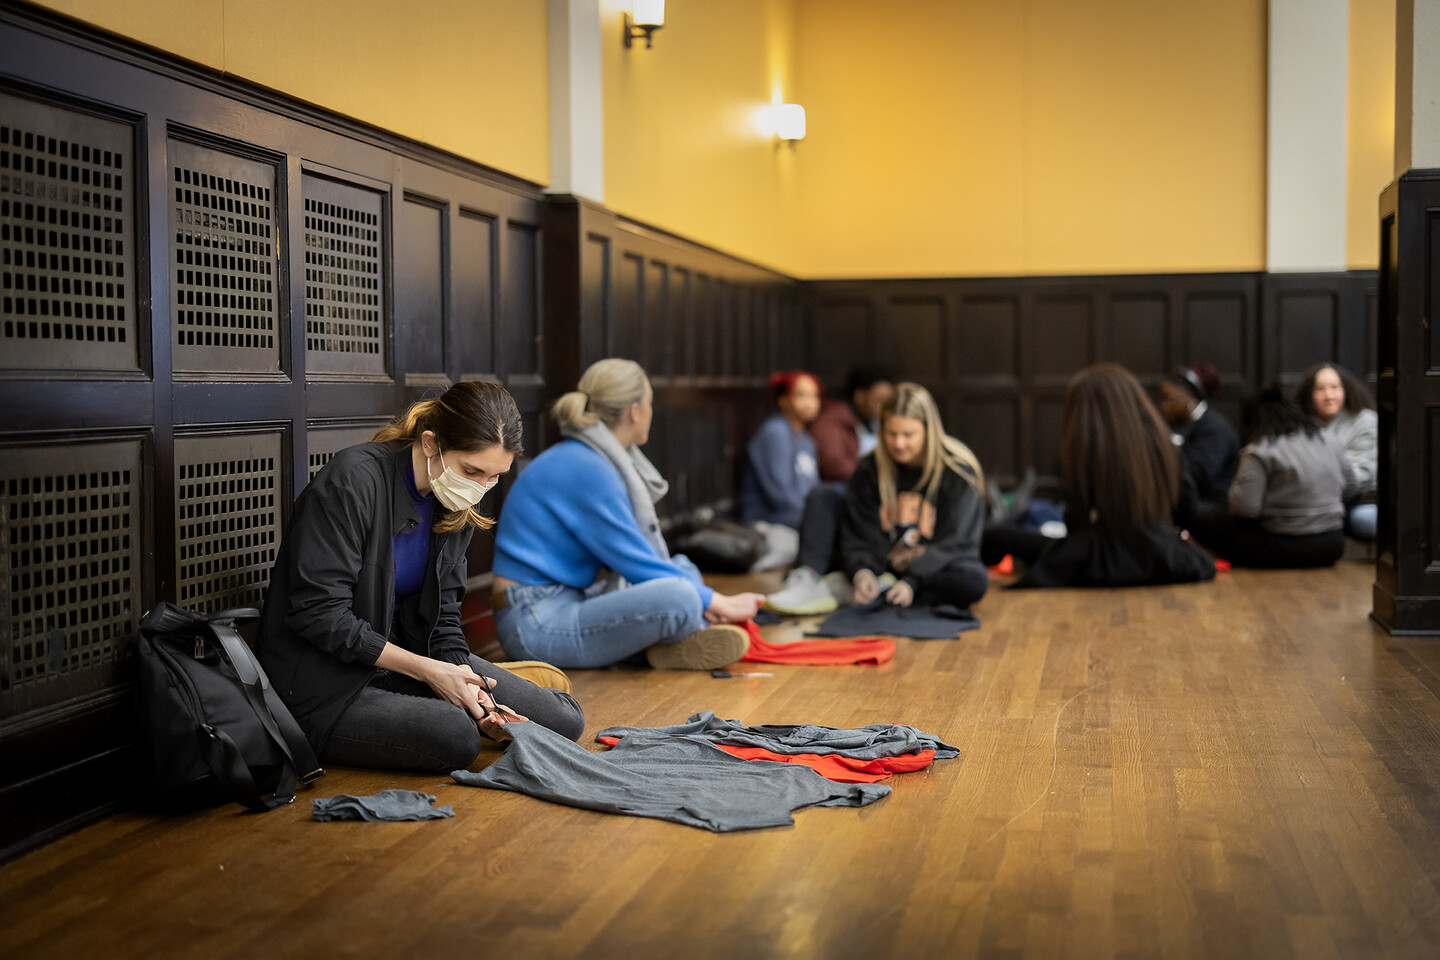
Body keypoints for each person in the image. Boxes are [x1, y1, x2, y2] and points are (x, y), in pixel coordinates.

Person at [257, 382, 585, 775]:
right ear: (430, 443)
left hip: (405, 662)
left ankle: (472, 689)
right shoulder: (352, 481)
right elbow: (318, 615)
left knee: (565, 720)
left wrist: (472, 692)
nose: (479, 489)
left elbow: (444, 617)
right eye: (472, 471)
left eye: (494, 477)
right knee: (457, 737)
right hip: (325, 681)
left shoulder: (455, 499)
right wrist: (429, 672)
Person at [492, 358, 765, 670]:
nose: (651, 410)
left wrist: (704, 596)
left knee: (683, 571)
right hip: (533, 622)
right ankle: (673, 639)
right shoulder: (587, 467)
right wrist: (719, 602)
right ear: (635, 411)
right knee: (681, 596)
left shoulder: (586, 457)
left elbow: (644, 562)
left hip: (565, 600)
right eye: (650, 402)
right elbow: (636, 562)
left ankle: (660, 647)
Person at [987, 363, 1216, 588]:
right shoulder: (1165, 445)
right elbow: (1187, 509)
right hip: (1165, 555)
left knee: (995, 535)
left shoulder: (1087, 449)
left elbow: (1077, 523)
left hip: (1102, 558)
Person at [838, 382, 990, 610]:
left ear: (928, 430)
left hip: (934, 568)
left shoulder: (959, 470)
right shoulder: (869, 469)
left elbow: (957, 543)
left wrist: (913, 581)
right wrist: (862, 572)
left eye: (908, 435)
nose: (899, 444)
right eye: (892, 434)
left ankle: (894, 594)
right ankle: (882, 591)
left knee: (973, 580)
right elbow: (859, 534)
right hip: (884, 567)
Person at [765, 367, 895, 614]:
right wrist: (869, 474)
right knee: (824, 496)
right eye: (801, 395)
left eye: (814, 395)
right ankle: (809, 578)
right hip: (789, 516)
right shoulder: (818, 424)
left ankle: (842, 580)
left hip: (854, 514)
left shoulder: (806, 435)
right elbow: (828, 469)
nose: (811, 403)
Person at [1188, 385, 1356, 568]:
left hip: (1282, 548)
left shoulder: (1261, 450)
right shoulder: (1330, 440)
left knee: (1199, 514)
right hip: (1332, 545)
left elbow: (1245, 509)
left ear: (1253, 422)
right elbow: (1351, 488)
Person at [1294, 362, 1378, 540]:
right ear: (1309, 395)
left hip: (1357, 501)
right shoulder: (1298, 423)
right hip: (1308, 503)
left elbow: (1361, 476)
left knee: (1364, 520)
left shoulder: (1364, 421)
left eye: (1335, 388)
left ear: (1346, 390)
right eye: (1320, 389)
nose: (1329, 396)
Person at [1158, 363, 1240, 506]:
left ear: (1191, 398)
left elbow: (1198, 473)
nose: (1164, 405)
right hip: (1186, 500)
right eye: (1163, 398)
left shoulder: (1215, 429)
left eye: (1171, 399)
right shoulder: (1176, 423)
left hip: (1212, 505)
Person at [811, 365, 895, 484]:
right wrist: (873, 474)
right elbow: (834, 465)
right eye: (879, 400)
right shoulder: (832, 420)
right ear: (860, 396)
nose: (884, 408)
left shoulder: (874, 422)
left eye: (888, 402)